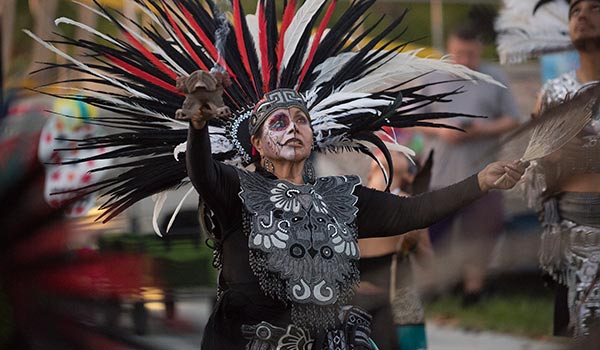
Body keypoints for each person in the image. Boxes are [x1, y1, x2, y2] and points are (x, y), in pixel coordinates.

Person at [183, 85, 526, 349]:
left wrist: (479, 182)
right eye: (279, 121)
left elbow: (413, 211)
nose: (293, 128)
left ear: (313, 136)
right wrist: (198, 126)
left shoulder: (341, 198)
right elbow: (202, 172)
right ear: (257, 142)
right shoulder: (237, 189)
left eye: (301, 120)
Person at [418, 24, 521, 305]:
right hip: (439, 174)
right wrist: (443, 130)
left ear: (480, 50)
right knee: (433, 235)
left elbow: (513, 119)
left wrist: (481, 129)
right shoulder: (433, 75)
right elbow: (413, 119)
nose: (465, 60)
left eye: (471, 54)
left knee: (482, 233)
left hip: (485, 174)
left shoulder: (495, 77)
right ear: (450, 48)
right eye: (459, 54)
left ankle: (473, 291)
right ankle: (437, 284)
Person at [522, 0, 600, 337]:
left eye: (595, 7)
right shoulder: (553, 94)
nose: (581, 15)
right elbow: (533, 173)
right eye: (574, 10)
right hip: (570, 234)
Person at [352, 149, 434, 350]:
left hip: (394, 305)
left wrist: (413, 243)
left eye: (401, 154)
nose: (391, 150)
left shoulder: (411, 207)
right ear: (370, 171)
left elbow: (431, 267)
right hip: (353, 303)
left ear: (409, 175)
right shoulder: (349, 202)